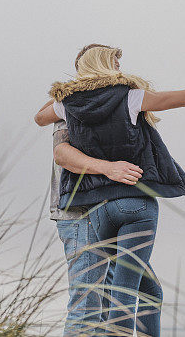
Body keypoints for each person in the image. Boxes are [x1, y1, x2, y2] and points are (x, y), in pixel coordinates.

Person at [35, 44, 185, 336]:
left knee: (149, 290)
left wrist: (68, 91)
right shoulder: (130, 97)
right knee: (123, 294)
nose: (120, 68)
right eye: (115, 62)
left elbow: (40, 117)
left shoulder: (66, 105)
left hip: (96, 211)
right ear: (106, 65)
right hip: (135, 206)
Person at [35, 103, 143, 336]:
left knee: (106, 306)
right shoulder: (75, 100)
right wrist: (109, 168)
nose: (116, 67)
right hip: (79, 213)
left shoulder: (111, 99)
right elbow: (61, 153)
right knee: (86, 309)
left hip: (110, 212)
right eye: (112, 63)